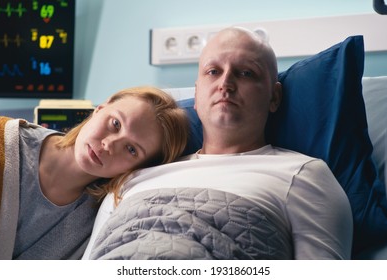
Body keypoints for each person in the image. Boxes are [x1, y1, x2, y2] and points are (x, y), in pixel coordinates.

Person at [83, 27, 353, 260]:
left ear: (274, 97)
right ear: (197, 92)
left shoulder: (304, 176)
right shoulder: (134, 178)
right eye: (213, 71)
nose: (226, 83)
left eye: (246, 73)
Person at [0, 86, 190, 260]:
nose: (109, 145)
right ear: (100, 109)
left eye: (131, 149)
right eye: (115, 123)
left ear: (137, 168)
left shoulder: (101, 217)